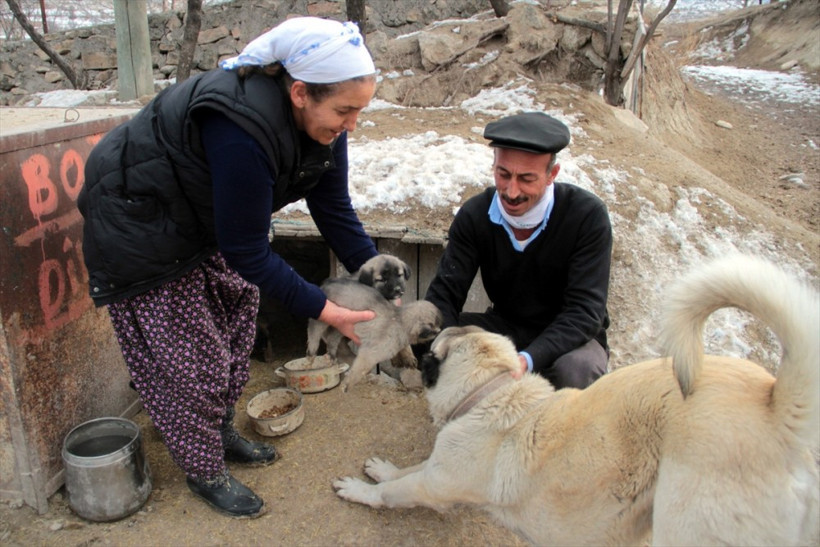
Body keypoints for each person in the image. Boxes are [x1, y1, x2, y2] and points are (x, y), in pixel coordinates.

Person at [77, 17, 380, 518]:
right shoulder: (240, 124)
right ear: (300, 92)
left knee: (237, 328)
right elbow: (247, 252)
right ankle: (203, 470)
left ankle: (217, 433)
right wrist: (327, 308)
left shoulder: (324, 125)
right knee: (190, 363)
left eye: (358, 112)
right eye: (345, 111)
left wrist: (375, 274)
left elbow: (333, 208)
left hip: (200, 219)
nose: (351, 124)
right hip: (139, 224)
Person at [424, 111, 612, 389]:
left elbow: (585, 312)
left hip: (571, 338)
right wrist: (446, 349)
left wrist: (527, 359)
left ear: (552, 175)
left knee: (576, 369)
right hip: (506, 327)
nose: (512, 192)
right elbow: (445, 294)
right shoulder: (475, 215)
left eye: (526, 179)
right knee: (428, 332)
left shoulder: (587, 216)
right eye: (504, 174)